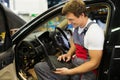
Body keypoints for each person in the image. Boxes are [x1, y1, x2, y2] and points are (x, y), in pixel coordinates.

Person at [34, 0, 104, 80]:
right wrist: (69, 54)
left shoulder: (93, 32)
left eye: (71, 19)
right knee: (40, 67)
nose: (69, 23)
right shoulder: (77, 27)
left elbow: (94, 63)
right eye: (67, 19)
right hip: (76, 62)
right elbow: (75, 44)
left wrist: (69, 72)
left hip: (87, 71)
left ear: (82, 15)